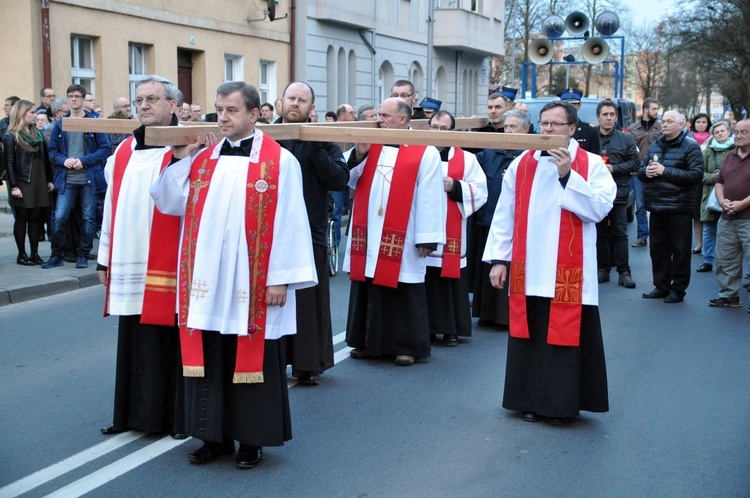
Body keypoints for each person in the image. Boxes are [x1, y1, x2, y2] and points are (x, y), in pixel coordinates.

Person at [150, 81, 317, 469]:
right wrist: (179, 159)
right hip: (207, 280)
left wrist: (280, 278)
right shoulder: (203, 159)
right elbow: (168, 202)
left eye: (232, 111)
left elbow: (292, 220)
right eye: (219, 110)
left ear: (255, 114)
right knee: (210, 354)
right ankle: (212, 436)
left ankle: (251, 441)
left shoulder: (279, 162)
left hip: (253, 282)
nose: (222, 118)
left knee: (252, 358)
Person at [484, 100, 615, 425]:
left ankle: (560, 405)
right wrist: (499, 260)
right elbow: (505, 214)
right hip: (529, 269)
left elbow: (599, 209)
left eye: (556, 125)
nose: (548, 130)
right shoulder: (522, 164)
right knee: (530, 337)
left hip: (568, 271)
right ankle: (528, 400)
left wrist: (567, 175)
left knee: (563, 340)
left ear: (572, 129)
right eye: (544, 124)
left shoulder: (591, 164)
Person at [96, 75, 186, 438]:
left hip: (172, 261)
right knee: (133, 338)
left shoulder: (187, 145)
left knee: (169, 341)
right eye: (139, 100)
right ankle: (132, 416)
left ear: (173, 105)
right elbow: (111, 206)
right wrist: (105, 257)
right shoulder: (123, 151)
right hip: (130, 258)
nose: (144, 106)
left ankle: (173, 418)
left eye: (152, 99)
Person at [343, 97, 444, 366]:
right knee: (368, 284)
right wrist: (359, 153)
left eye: (385, 115)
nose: (379, 120)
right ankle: (366, 342)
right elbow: (346, 177)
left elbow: (431, 197)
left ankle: (406, 346)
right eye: (379, 115)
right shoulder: (369, 142)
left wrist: (427, 237)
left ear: (402, 119)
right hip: (369, 229)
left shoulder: (425, 150)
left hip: (406, 231)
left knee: (403, 289)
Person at [276, 81, 349, 385]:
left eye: (302, 100)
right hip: (270, 231)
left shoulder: (323, 138)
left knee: (307, 302)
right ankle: (273, 359)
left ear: (311, 107)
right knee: (273, 301)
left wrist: (318, 147)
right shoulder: (266, 136)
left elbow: (339, 179)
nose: (295, 104)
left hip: (310, 230)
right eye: (291, 98)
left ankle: (307, 363)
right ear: (281, 103)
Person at [424, 110, 487, 346]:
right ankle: (427, 328)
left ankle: (451, 329)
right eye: (435, 128)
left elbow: (482, 191)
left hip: (452, 229)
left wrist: (456, 186)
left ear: (452, 131)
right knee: (426, 278)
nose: (439, 133)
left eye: (444, 129)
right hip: (423, 228)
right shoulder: (418, 154)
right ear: (429, 129)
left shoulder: (467, 159)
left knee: (449, 278)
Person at [638, 110, 703, 303]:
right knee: (658, 250)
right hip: (657, 206)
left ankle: (678, 290)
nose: (664, 124)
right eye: (663, 121)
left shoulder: (691, 147)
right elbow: (640, 170)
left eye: (669, 121)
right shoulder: (656, 145)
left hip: (679, 207)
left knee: (680, 251)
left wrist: (665, 171)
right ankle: (661, 286)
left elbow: (695, 175)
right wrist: (646, 172)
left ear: (681, 124)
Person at [43, 84, 111, 269]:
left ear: (83, 99)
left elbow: (105, 149)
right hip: (67, 178)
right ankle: (57, 255)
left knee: (88, 218)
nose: (73, 99)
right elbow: (52, 151)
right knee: (59, 216)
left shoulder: (94, 122)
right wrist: (63, 160)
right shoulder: (61, 123)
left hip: (88, 178)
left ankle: (83, 255)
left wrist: (85, 160)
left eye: (77, 96)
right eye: (70, 96)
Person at [470, 109, 527, 328]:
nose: (509, 131)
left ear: (526, 129)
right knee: (490, 270)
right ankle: (487, 313)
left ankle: (508, 317)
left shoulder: (529, 156)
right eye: (506, 127)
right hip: (489, 220)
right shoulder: (490, 153)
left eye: (514, 127)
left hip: (518, 225)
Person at [594, 99, 639, 288]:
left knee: (620, 233)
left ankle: (624, 272)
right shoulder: (591, 137)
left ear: (616, 117)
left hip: (618, 193)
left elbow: (635, 163)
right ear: (598, 117)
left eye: (612, 114)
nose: (609, 118)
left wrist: (614, 168)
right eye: (605, 114)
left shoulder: (626, 138)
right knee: (599, 233)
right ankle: (602, 269)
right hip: (595, 193)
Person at [3, 100, 54, 265]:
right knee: (22, 217)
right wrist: (14, 186)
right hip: (22, 181)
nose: (36, 115)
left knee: (36, 218)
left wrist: (49, 180)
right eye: (31, 112)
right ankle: (21, 255)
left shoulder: (38, 135)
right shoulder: (11, 136)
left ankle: (34, 254)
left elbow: (45, 160)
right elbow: (9, 163)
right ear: (22, 114)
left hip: (39, 181)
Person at [708, 119, 750, 308]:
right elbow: (719, 181)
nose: (738, 136)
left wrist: (742, 204)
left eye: (744, 132)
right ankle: (728, 295)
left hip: (748, 218)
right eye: (737, 132)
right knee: (725, 259)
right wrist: (722, 201)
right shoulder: (731, 155)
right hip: (728, 217)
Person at [697, 121, 734, 273]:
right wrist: (717, 177)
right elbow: (700, 174)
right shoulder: (707, 152)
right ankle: (707, 260)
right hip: (711, 196)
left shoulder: (737, 150)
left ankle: (729, 263)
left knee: (732, 232)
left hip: (733, 195)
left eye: (722, 131)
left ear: (728, 132)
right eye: (717, 132)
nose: (720, 134)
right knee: (709, 229)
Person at [628, 98, 662, 247]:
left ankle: (659, 238)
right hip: (638, 171)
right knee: (640, 206)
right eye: (654, 109)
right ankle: (642, 236)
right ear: (646, 110)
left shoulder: (661, 128)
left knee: (658, 205)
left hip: (657, 171)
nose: (657, 112)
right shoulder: (632, 128)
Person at [688, 113, 713, 254]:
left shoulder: (713, 139)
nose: (701, 124)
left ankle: (711, 245)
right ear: (694, 124)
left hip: (709, 181)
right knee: (697, 214)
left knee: (710, 212)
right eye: (698, 122)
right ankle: (699, 244)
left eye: (704, 122)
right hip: (693, 181)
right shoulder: (688, 139)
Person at [558, 89, 600, 154]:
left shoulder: (590, 131)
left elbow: (595, 158)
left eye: (573, 104)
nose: (569, 107)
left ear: (579, 106)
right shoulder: (552, 129)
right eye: (566, 104)